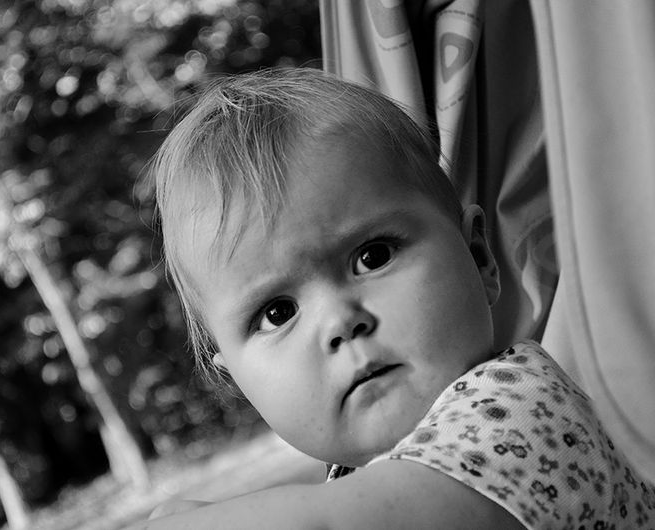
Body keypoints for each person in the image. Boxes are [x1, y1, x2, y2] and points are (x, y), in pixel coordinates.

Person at [130, 68, 655, 529]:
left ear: (478, 257)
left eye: (372, 256)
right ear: (237, 383)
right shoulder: (355, 480)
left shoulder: (523, 410)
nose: (341, 321)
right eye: (277, 312)